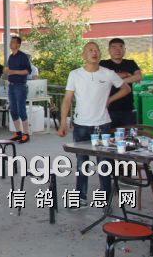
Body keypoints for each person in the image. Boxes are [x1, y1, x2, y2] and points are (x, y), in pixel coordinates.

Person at [58, 42, 130, 207]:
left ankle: (105, 199)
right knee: (81, 163)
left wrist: (110, 99)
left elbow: (126, 88)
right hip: (81, 125)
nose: (94, 52)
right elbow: (67, 99)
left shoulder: (108, 74)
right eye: (90, 50)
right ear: (83, 55)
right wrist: (63, 123)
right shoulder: (75, 74)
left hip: (102, 125)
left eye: (96, 50)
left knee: (104, 163)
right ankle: (80, 197)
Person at [99, 38, 142, 127]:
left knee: (130, 135)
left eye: (120, 47)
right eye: (114, 47)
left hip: (128, 109)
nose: (117, 50)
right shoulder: (103, 64)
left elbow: (138, 77)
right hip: (108, 108)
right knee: (108, 135)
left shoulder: (130, 63)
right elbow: (102, 78)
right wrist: (126, 74)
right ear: (109, 50)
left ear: (124, 50)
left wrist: (115, 81)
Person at [5, 36, 31, 144]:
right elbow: (9, 70)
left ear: (18, 45)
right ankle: (18, 132)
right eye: (10, 42)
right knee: (13, 110)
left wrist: (14, 72)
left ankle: (26, 134)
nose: (11, 43)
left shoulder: (23, 56)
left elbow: (28, 71)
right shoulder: (11, 57)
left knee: (21, 110)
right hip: (11, 85)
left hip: (20, 86)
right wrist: (7, 71)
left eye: (13, 42)